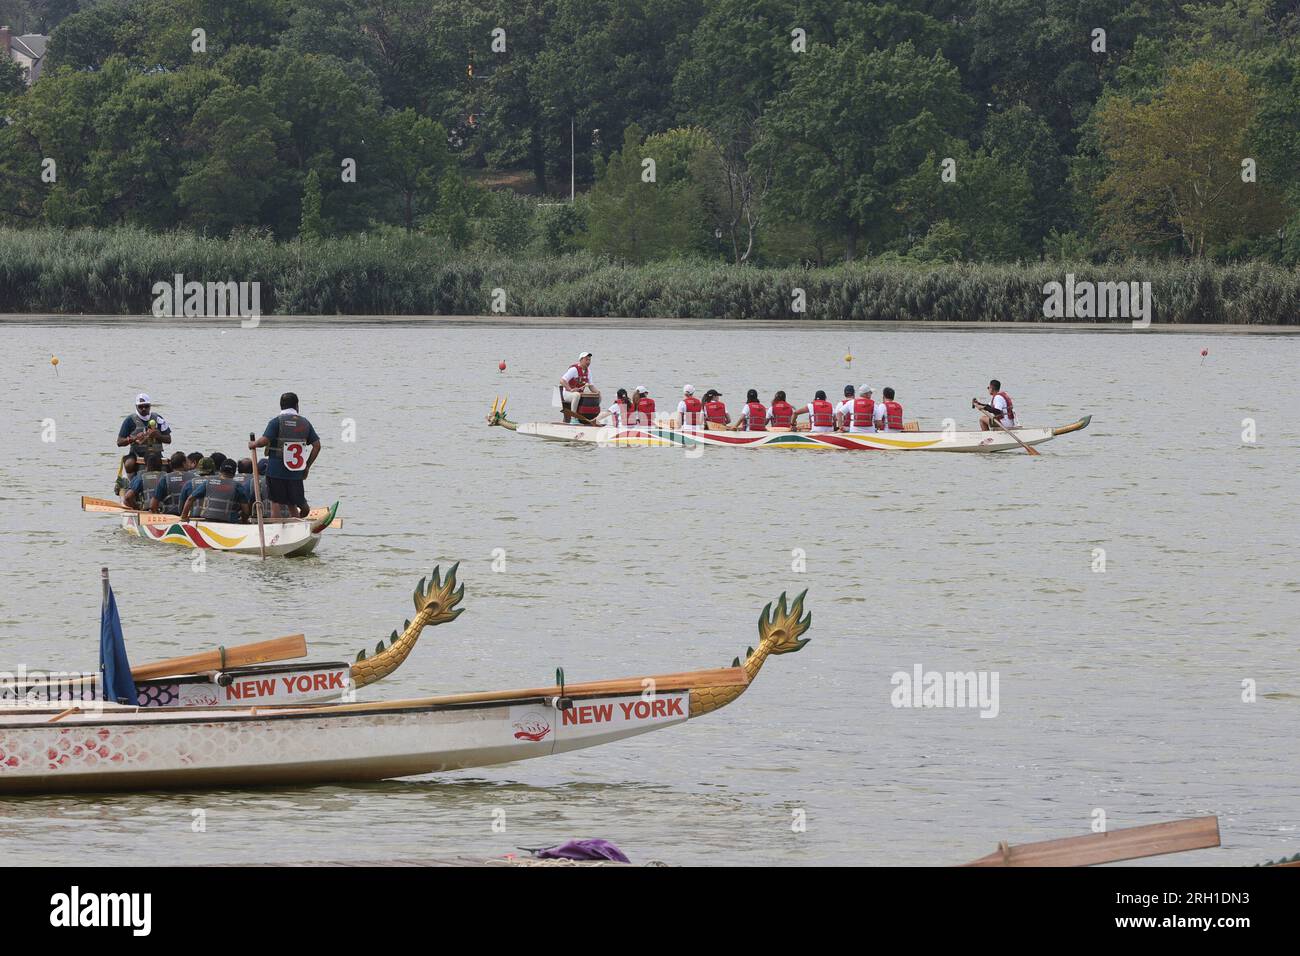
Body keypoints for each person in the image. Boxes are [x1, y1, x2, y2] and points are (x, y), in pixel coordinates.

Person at [249, 392, 320, 520]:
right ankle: (298, 528)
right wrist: (307, 466)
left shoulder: (276, 422)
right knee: (292, 504)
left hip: (276, 471)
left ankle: (276, 530)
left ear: (281, 406)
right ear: (297, 406)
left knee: (275, 503)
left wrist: (254, 444)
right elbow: (317, 446)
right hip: (296, 472)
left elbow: (264, 441)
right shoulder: (305, 423)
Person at [182, 459, 251, 524]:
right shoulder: (238, 486)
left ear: (220, 470)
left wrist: (184, 517)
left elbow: (190, 499)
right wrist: (244, 521)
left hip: (208, 521)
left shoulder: (209, 482)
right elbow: (246, 511)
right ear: (234, 472)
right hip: (229, 523)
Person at [116, 393, 171, 462]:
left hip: (156, 456)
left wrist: (158, 436)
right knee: (129, 464)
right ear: (136, 406)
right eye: (141, 406)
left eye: (146, 406)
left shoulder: (158, 419)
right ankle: (132, 473)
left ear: (150, 406)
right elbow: (119, 442)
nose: (144, 409)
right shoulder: (129, 420)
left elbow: (169, 440)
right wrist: (134, 439)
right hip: (136, 455)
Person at [559, 352, 596, 423]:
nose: (588, 362)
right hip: (567, 394)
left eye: (589, 360)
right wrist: (570, 389)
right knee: (576, 395)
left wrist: (597, 393)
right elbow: (562, 380)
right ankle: (573, 418)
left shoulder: (588, 371)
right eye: (586, 360)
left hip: (578, 395)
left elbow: (591, 386)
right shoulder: (574, 369)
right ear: (581, 360)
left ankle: (592, 418)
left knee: (598, 395)